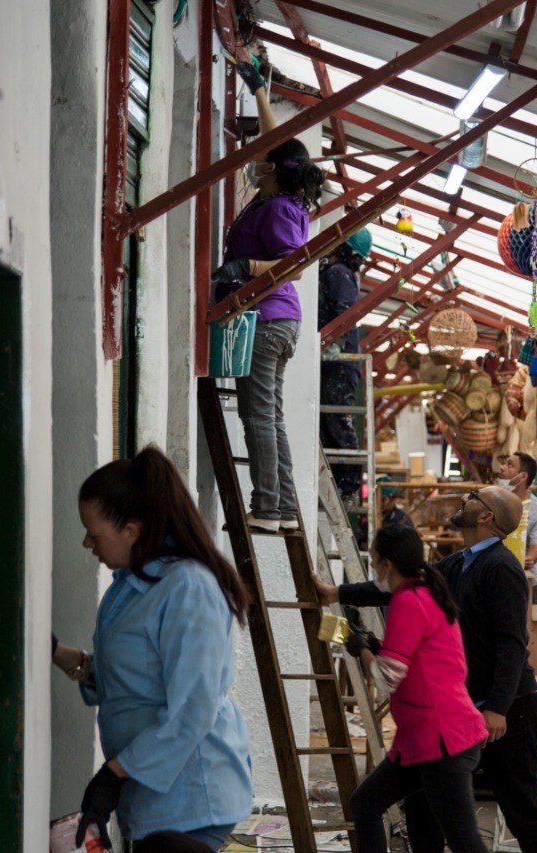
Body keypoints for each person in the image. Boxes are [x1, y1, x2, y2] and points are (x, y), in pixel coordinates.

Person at [316, 486, 537, 853]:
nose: (464, 499)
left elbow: (512, 645)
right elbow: (393, 586)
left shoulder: (501, 567)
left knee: (520, 809)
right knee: (423, 809)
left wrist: (497, 707)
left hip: (506, 710)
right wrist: (336, 593)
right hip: (458, 712)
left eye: (473, 496)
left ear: (485, 516)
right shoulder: (460, 562)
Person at [54, 446, 253, 851]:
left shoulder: (189, 588)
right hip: (152, 799)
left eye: (95, 534)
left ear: (131, 530)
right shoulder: (130, 585)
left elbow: (192, 710)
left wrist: (113, 774)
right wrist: (55, 652)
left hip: (192, 798)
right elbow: (129, 677)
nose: (86, 543)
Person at [211, 59, 325, 534]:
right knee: (270, 412)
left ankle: (270, 508)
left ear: (274, 170)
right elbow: (275, 143)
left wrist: (243, 268)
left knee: (259, 412)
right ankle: (278, 506)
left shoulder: (277, 207)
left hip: (266, 320)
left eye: (263, 159)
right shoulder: (280, 196)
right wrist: (259, 91)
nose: (255, 161)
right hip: (279, 323)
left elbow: (294, 266)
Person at [346, 525, 491, 853]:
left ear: (387, 566)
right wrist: (376, 648)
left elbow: (387, 678)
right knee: (366, 805)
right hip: (425, 737)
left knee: (463, 840)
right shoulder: (424, 591)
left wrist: (362, 650)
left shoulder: (410, 600)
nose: (372, 568)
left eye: (373, 560)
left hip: (442, 740)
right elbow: (412, 658)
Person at [319, 227, 374, 503]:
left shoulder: (338, 274)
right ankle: (342, 484)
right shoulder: (340, 274)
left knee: (339, 423)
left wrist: (334, 344)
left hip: (338, 364)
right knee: (330, 425)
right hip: (335, 364)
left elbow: (344, 312)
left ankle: (350, 486)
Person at [498, 452, 537, 586]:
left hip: (524, 582)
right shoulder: (494, 503)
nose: (502, 468)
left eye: (510, 465)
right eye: (505, 463)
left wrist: (527, 559)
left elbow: (535, 550)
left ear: (523, 477)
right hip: (495, 578)